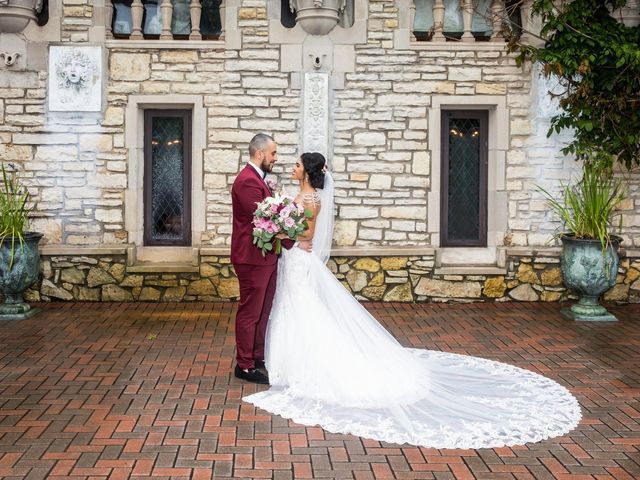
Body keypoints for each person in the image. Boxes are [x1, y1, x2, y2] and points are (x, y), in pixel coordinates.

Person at [243, 152, 582, 449]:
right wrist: (280, 221)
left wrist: (278, 228)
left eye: (298, 164)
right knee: (295, 312)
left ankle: (304, 367)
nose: (292, 166)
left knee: (302, 313)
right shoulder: (302, 197)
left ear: (308, 171)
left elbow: (306, 234)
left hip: (300, 260)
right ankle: (291, 363)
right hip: (296, 262)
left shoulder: (309, 201)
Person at [230, 133, 310, 385]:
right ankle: (244, 365)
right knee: (250, 311)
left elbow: (271, 219)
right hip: (252, 257)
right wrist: (294, 242)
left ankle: (256, 357)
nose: (276, 158)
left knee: (263, 310)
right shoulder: (246, 181)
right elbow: (263, 221)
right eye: (273, 153)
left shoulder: (258, 179)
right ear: (260, 153)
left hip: (266, 256)